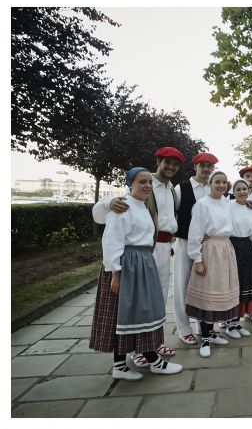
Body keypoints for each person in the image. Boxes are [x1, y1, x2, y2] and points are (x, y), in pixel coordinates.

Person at [92, 146, 184, 367]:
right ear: (158, 162)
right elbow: (102, 217)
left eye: (175, 164)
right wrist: (107, 202)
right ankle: (139, 350)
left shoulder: (171, 190)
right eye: (167, 162)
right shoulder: (134, 193)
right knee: (139, 301)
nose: (170, 167)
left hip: (159, 247)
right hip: (142, 252)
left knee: (157, 298)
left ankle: (153, 342)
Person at [173, 152, 228, 346]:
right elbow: (172, 215)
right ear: (195, 167)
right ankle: (184, 328)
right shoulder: (182, 188)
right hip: (185, 242)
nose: (206, 169)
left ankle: (202, 325)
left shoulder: (213, 189)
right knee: (182, 286)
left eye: (209, 166)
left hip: (209, 247)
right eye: (202, 165)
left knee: (203, 287)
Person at [186, 171, 241, 358]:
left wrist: (249, 203)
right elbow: (194, 233)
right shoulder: (201, 205)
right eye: (217, 182)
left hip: (225, 248)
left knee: (221, 292)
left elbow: (241, 206)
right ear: (210, 183)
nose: (221, 185)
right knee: (208, 293)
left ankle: (214, 332)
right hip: (210, 251)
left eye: (224, 182)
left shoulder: (227, 202)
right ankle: (205, 338)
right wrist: (197, 259)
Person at [227, 179, 252, 336]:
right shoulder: (227, 207)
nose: (242, 192)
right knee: (233, 286)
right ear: (233, 192)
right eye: (238, 189)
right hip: (231, 247)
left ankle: (237, 322)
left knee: (244, 286)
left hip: (247, 249)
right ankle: (229, 324)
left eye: (245, 189)